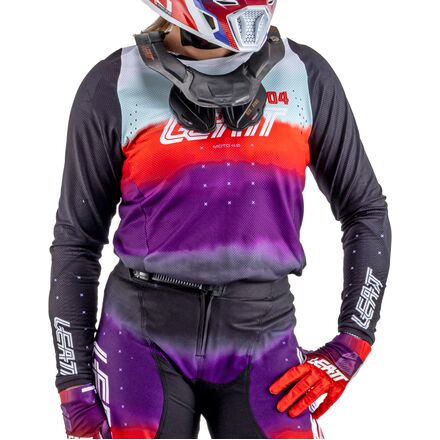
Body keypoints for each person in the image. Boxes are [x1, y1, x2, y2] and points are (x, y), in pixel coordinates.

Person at [48, 1, 392, 439]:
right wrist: (73, 383)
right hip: (140, 337)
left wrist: (353, 342)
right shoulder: (114, 84)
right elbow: (77, 241)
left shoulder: (303, 75)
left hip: (261, 334)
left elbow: (364, 211)